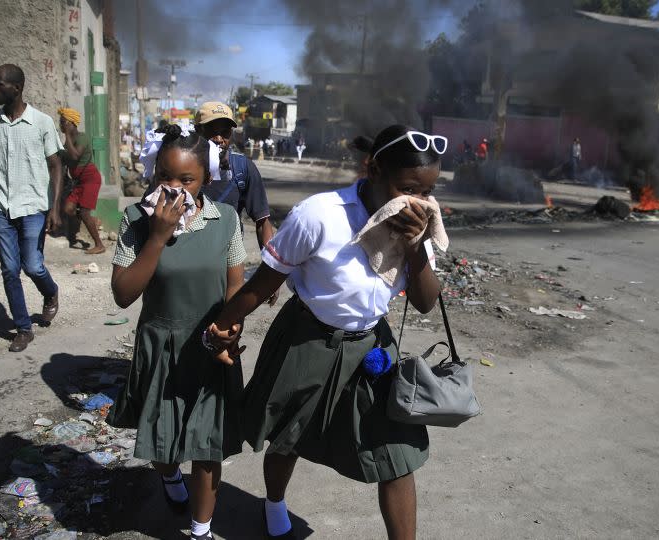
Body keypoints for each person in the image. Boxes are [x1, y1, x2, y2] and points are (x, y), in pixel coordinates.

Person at [205, 124, 445, 539]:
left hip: (372, 346)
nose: (418, 202)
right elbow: (265, 283)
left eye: (426, 191)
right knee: (287, 437)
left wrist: (415, 247)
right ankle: (274, 502)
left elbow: (425, 302)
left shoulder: (415, 228)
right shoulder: (319, 215)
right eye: (408, 188)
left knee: (397, 455)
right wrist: (223, 325)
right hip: (308, 340)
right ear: (373, 170)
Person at [107, 124, 245, 540]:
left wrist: (230, 330)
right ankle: (168, 477)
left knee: (206, 449)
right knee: (162, 441)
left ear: (205, 179)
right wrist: (159, 236)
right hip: (160, 344)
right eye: (164, 177)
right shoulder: (136, 219)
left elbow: (235, 285)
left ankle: (200, 530)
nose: (174, 188)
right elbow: (123, 295)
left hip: (209, 347)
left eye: (186, 179)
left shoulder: (225, 220)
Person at [0, 64, 63, 352]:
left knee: (32, 265)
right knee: (9, 269)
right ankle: (23, 329)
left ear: (16, 88)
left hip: (33, 207)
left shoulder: (41, 122)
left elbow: (56, 166)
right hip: (1, 206)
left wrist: (54, 209)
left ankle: (50, 292)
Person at [195, 102, 277, 305]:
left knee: (225, 321)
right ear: (198, 131)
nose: (219, 139)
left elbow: (262, 222)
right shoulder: (181, 167)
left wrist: (271, 274)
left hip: (227, 263)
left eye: (225, 133)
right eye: (212, 132)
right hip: (188, 259)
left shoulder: (243, 168)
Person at [57, 107, 105, 254]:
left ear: (71, 123)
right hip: (79, 181)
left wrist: (67, 137)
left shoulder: (82, 137)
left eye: (63, 122)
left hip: (90, 178)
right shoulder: (68, 142)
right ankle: (92, 221)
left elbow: (75, 155)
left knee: (84, 212)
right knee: (68, 208)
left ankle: (99, 245)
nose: (61, 125)